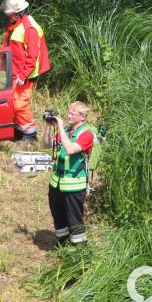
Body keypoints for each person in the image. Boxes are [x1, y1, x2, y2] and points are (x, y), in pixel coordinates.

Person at [0, 0, 50, 139]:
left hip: (25, 74)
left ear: (19, 12)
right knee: (11, 102)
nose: (8, 16)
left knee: (19, 105)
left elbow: (32, 56)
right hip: (15, 71)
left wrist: (23, 75)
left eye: (11, 14)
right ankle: (18, 130)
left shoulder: (29, 28)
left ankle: (30, 134)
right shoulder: (17, 24)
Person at [47, 102, 95, 246]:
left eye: (72, 114)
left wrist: (61, 127)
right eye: (68, 113)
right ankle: (63, 244)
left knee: (74, 219)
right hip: (57, 183)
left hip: (74, 185)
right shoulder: (67, 131)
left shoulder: (86, 134)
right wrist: (48, 127)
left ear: (82, 117)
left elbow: (70, 149)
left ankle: (79, 248)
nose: (68, 116)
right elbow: (47, 144)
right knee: (58, 215)